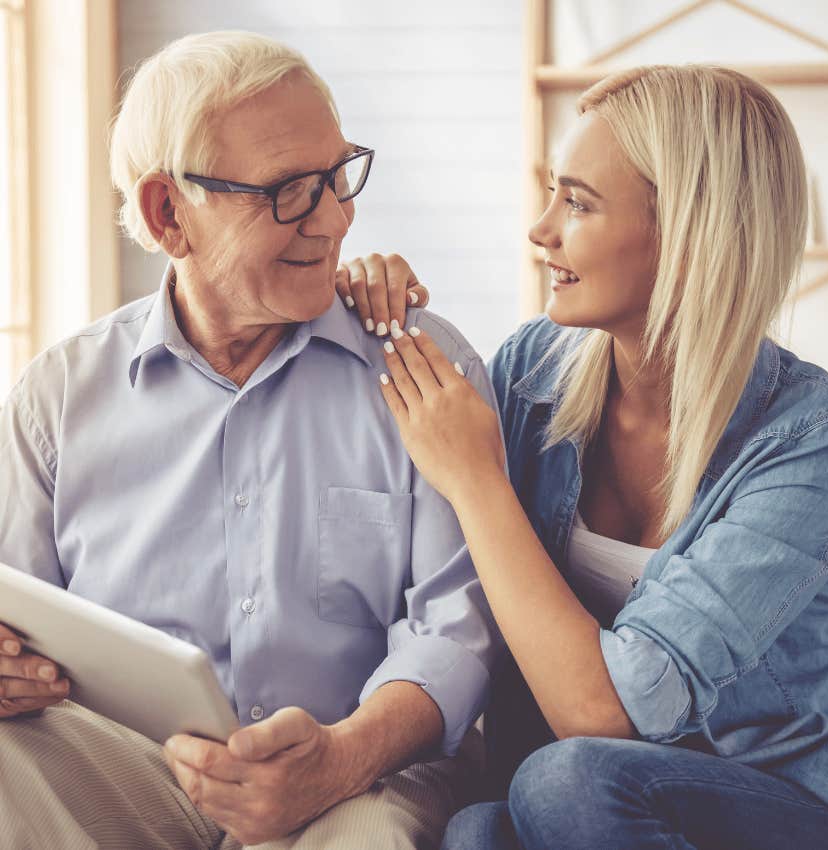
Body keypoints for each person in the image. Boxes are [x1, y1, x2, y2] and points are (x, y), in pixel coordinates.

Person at [0, 31, 503, 850]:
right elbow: (15, 611)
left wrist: (340, 758)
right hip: (131, 773)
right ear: (169, 213)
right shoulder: (56, 398)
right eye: (291, 192)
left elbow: (456, 632)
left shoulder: (422, 368)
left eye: (338, 176)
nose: (336, 218)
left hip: (360, 778)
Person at [335, 64, 828, 849]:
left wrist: (478, 482)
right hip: (593, 802)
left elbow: (601, 715)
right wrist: (365, 311)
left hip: (784, 798)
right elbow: (395, 471)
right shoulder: (534, 369)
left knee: (565, 778)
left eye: (576, 203)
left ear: (686, 232)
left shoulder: (812, 442)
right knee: (476, 832)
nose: (541, 230)